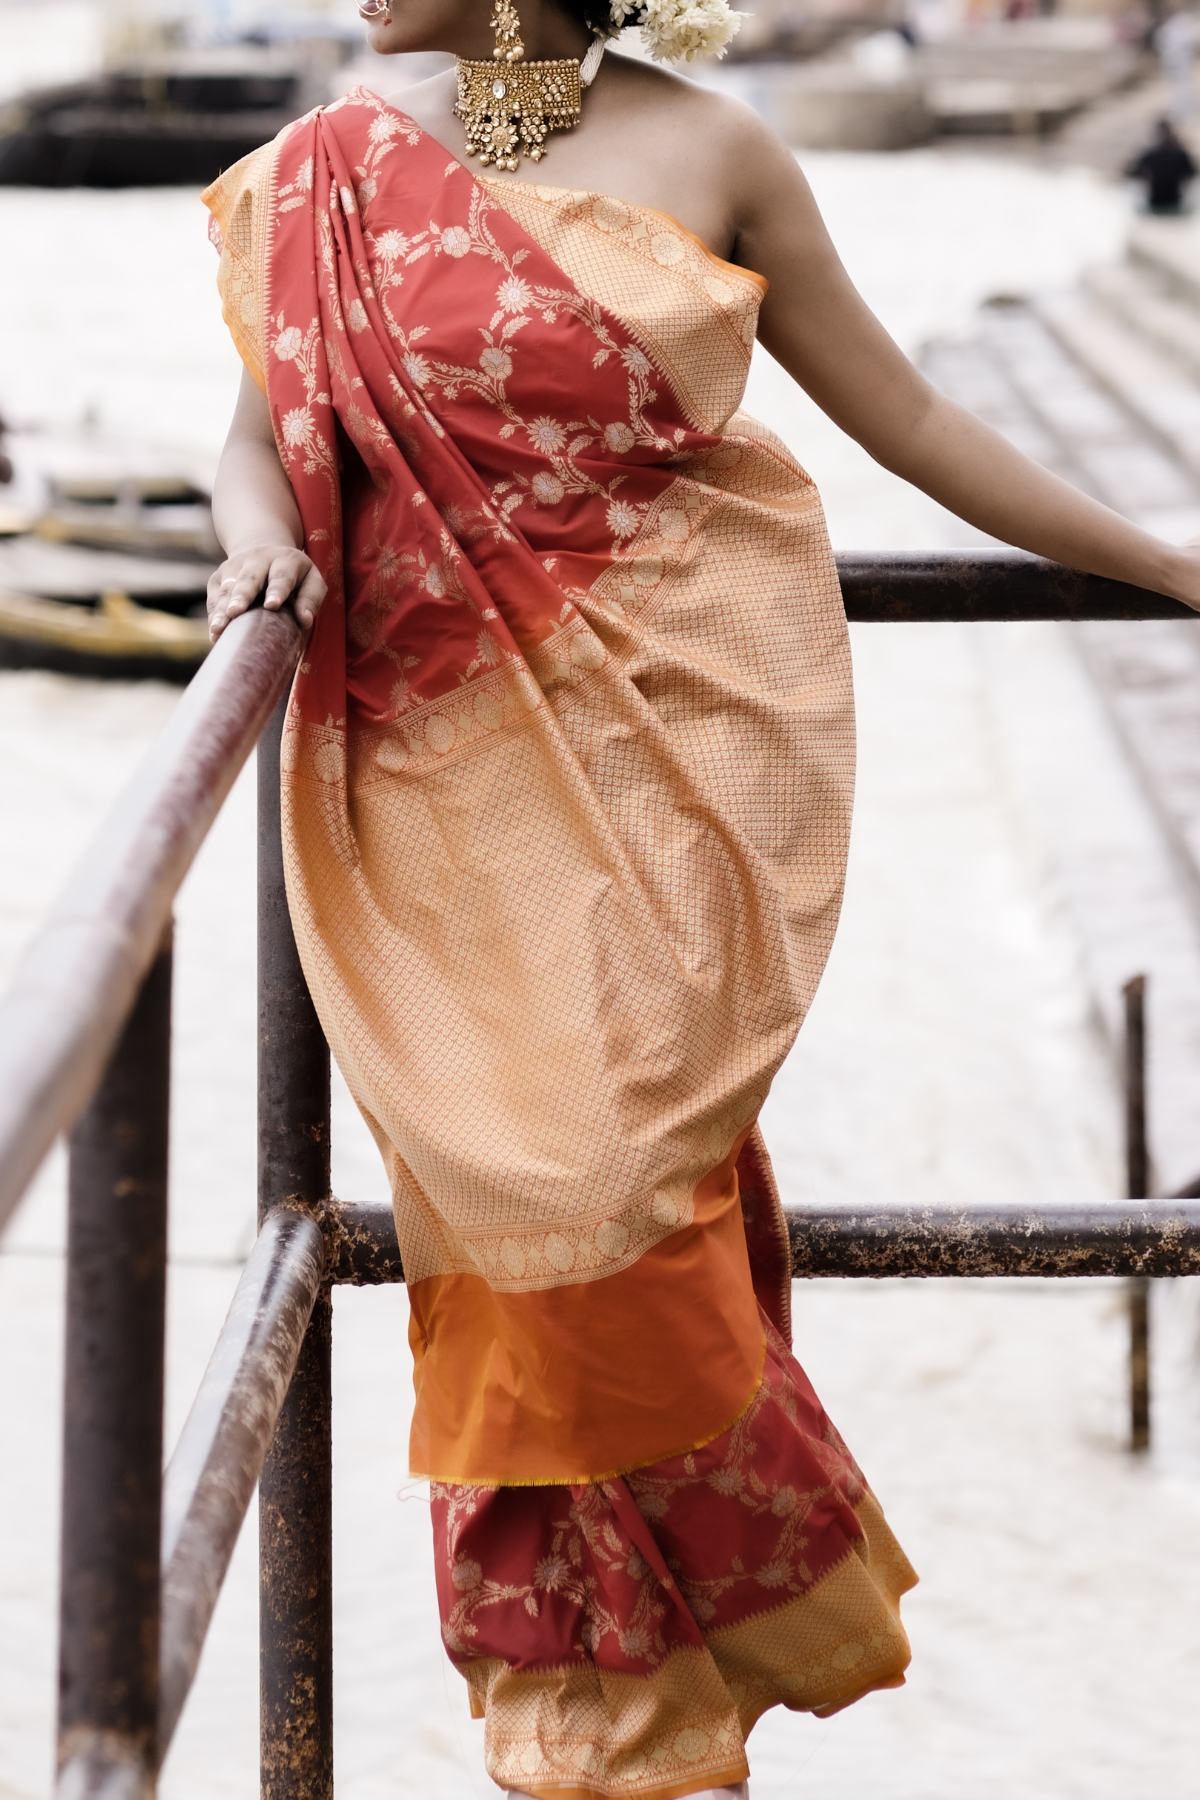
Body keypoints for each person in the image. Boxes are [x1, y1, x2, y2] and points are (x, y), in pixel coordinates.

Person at [201, 0, 1200, 1793]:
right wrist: (254, 538)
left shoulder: (715, 150)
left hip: (672, 770)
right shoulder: (337, 167)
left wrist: (1164, 561)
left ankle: (640, 1699)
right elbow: (259, 430)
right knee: (531, 1221)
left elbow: (904, 414)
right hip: (440, 790)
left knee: (612, 1189)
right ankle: (608, 1711)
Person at [1127, 115, 1198, 212]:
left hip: (1155, 201)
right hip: (1175, 200)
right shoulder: (1181, 154)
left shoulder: (1150, 154)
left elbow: (1130, 173)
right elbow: (1192, 173)